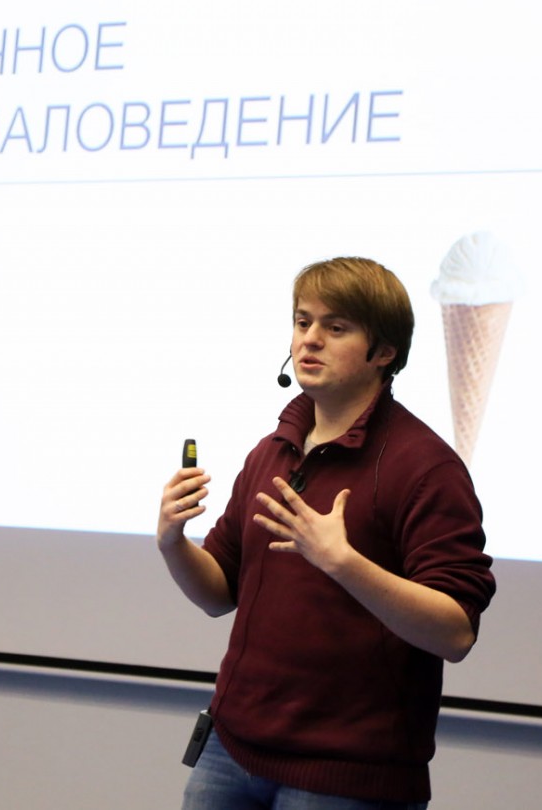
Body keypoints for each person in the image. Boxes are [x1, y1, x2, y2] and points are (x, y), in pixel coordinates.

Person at [157, 256, 495, 809]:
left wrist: (344, 563)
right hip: (230, 749)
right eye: (302, 321)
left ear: (383, 352)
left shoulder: (425, 467)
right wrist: (174, 543)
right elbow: (219, 593)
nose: (309, 339)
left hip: (347, 778)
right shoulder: (272, 451)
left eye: (336, 327)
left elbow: (455, 634)